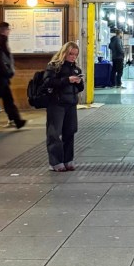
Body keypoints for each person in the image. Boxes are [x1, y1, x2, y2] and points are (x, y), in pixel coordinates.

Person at [44, 41, 84, 172]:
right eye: (71, 54)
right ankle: (55, 162)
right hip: (57, 104)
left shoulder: (76, 69)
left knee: (70, 132)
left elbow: (80, 88)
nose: (73, 57)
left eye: (75, 55)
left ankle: (68, 160)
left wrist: (78, 82)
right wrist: (67, 80)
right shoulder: (54, 66)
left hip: (71, 104)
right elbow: (48, 82)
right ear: (64, 53)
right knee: (54, 133)